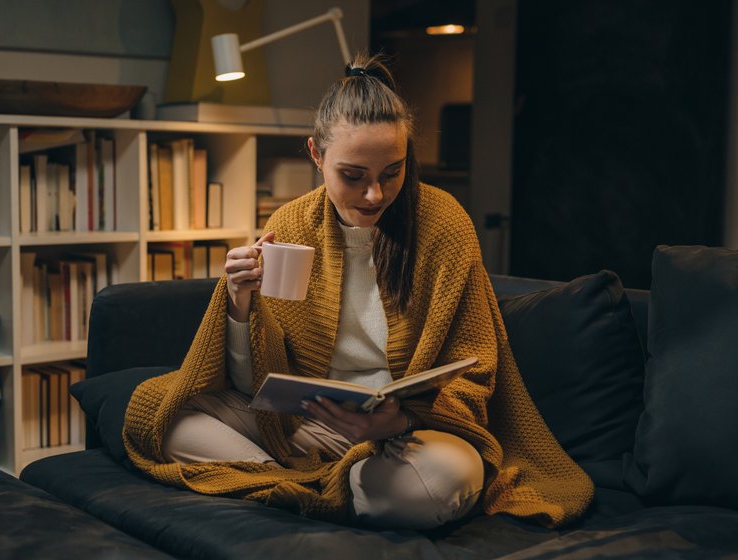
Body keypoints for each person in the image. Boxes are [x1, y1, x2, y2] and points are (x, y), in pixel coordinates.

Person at [124, 54, 593, 530]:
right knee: (162, 413)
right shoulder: (291, 224)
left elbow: (475, 370)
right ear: (316, 154)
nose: (374, 195)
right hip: (307, 426)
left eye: (392, 172)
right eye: (353, 176)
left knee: (438, 482)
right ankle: (303, 483)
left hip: (410, 432)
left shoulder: (444, 224)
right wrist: (240, 302)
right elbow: (253, 385)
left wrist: (400, 422)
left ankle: (285, 484)